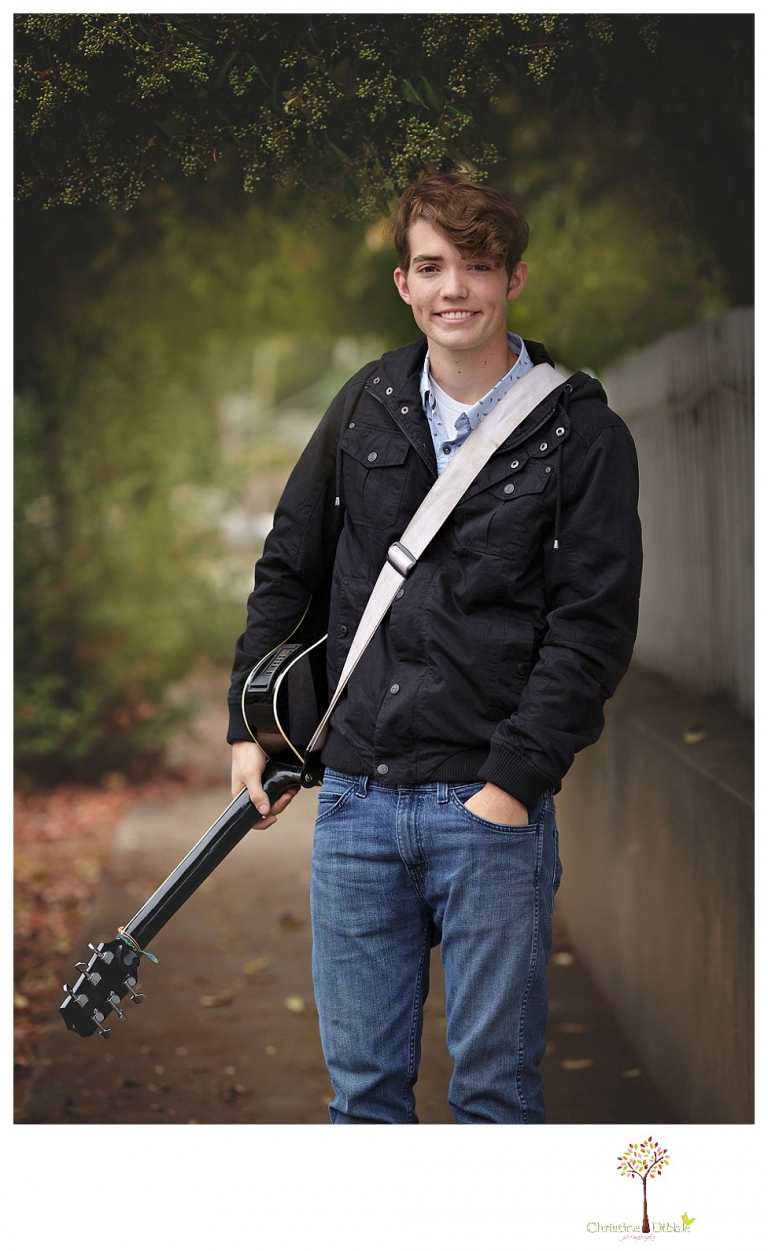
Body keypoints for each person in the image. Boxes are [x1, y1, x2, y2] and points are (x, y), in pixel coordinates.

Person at [227, 172, 642, 1124]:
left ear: (515, 278)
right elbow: (289, 568)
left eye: (478, 265)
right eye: (432, 266)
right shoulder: (364, 406)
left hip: (489, 811)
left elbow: (593, 626)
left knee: (496, 1101)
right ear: (405, 286)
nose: (455, 287)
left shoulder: (578, 432)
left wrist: (511, 785)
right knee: (364, 1101)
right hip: (357, 811)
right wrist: (248, 723)